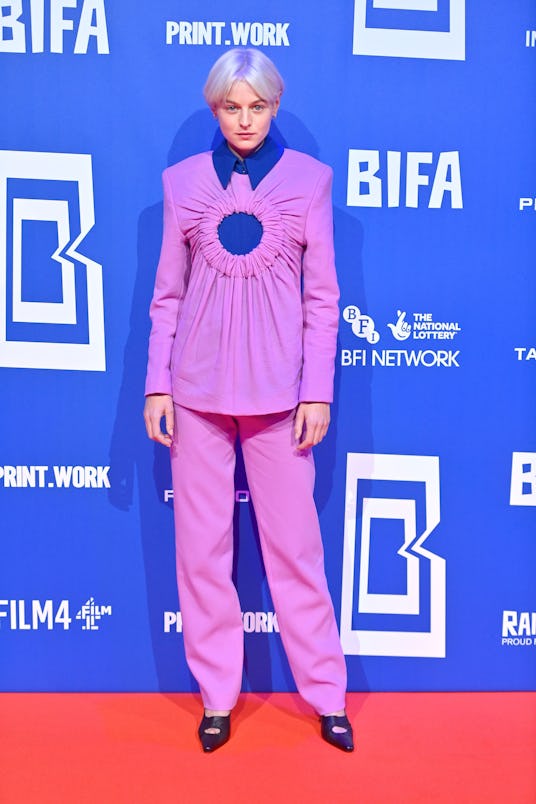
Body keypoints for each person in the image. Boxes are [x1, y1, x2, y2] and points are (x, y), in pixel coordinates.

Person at [143, 48, 353, 753]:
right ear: (214, 109)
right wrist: (157, 382)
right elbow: (166, 297)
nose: (243, 119)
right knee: (201, 553)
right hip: (197, 397)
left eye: (256, 106)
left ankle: (326, 695)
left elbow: (323, 300)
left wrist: (315, 391)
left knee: (296, 551)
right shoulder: (180, 185)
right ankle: (217, 697)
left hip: (280, 402)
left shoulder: (310, 182)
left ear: (274, 105)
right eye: (231, 107)